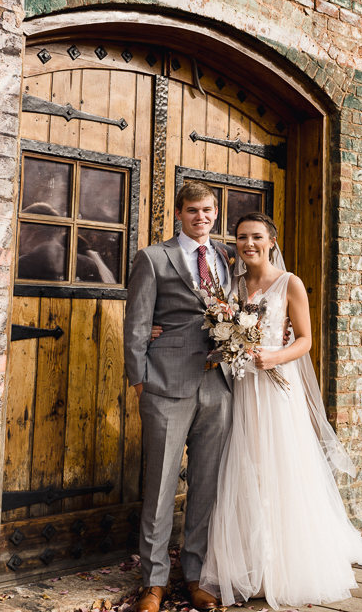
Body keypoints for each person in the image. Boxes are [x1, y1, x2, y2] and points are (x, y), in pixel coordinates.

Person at [200, 211, 362, 609]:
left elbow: (306, 340)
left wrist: (275, 356)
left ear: (271, 242)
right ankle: (248, 562)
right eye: (242, 238)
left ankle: (284, 566)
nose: (249, 244)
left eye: (256, 238)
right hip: (243, 389)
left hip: (277, 389)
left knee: (280, 467)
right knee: (246, 467)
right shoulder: (232, 285)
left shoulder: (289, 283)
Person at [123, 182, 235, 612]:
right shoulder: (153, 258)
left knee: (207, 486)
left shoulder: (227, 255)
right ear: (178, 213)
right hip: (166, 385)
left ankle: (196, 575)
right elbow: (137, 323)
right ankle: (153, 583)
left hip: (219, 385)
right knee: (161, 486)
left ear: (215, 212)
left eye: (207, 210)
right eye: (192, 211)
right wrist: (140, 380)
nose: (201, 217)